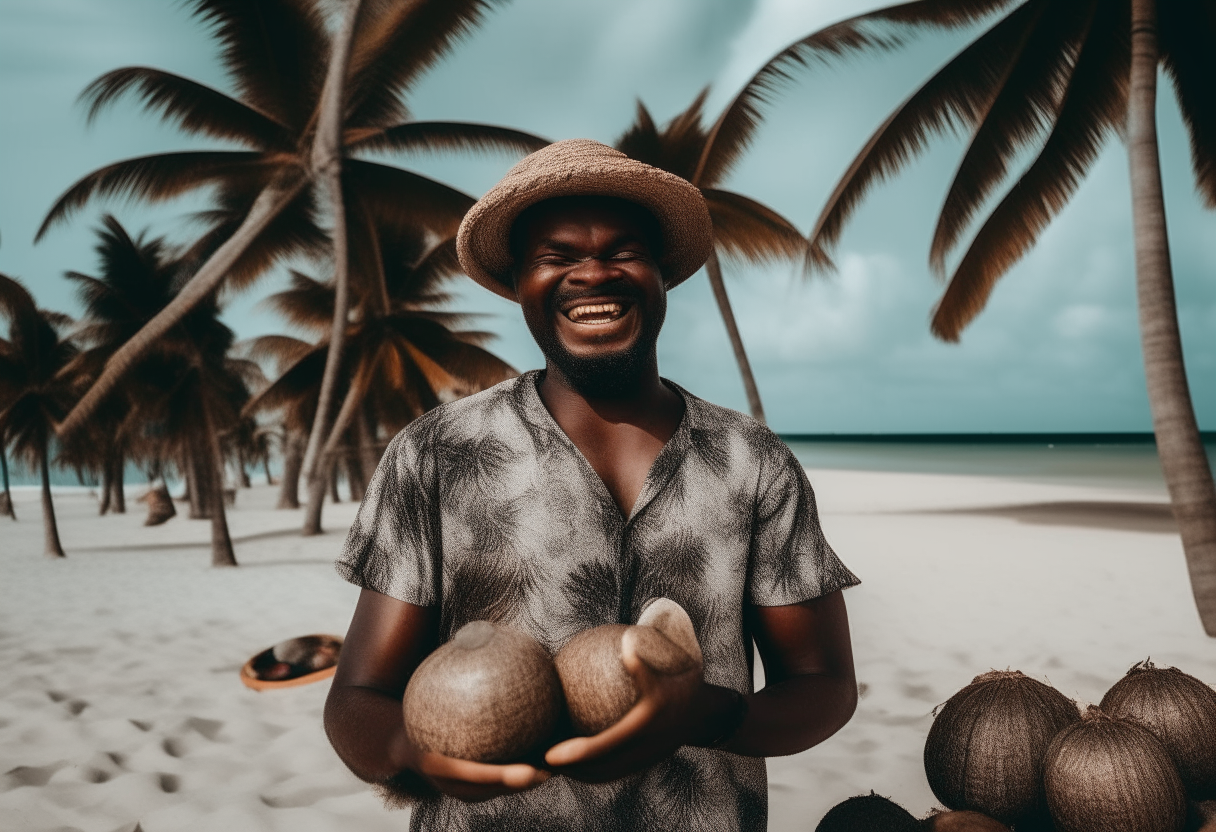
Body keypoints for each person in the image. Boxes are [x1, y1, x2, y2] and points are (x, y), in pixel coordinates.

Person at [324, 139, 861, 831]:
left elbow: (825, 686)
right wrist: (409, 748)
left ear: (661, 273)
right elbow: (357, 698)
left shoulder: (749, 460)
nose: (594, 274)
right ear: (519, 281)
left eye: (622, 251)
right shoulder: (438, 453)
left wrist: (708, 715)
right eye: (557, 257)